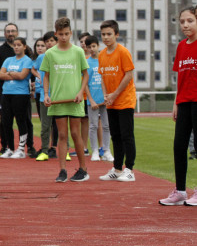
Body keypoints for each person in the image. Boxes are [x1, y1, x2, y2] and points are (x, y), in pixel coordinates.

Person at [41, 17, 90, 182]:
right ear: (56, 34)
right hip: (58, 100)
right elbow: (46, 76)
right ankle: (62, 170)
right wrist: (47, 94)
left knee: (76, 133)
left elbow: (86, 74)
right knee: (62, 135)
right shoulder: (49, 53)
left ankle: (83, 169)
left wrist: (80, 92)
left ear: (71, 33)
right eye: (60, 34)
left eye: (67, 34)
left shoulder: (78, 51)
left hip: (75, 100)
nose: (63, 37)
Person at [160, 7, 197, 205]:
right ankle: (181, 191)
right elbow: (180, 77)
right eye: (182, 21)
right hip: (183, 102)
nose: (185, 25)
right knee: (179, 146)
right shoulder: (181, 46)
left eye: (190, 21)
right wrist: (176, 102)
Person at [98, 19, 137, 182]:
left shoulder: (123, 52)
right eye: (103, 34)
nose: (106, 37)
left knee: (127, 135)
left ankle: (129, 169)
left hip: (125, 100)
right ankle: (117, 168)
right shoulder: (101, 54)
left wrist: (115, 94)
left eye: (109, 34)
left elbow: (129, 75)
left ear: (116, 34)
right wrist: (106, 95)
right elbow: (102, 76)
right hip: (111, 102)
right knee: (115, 136)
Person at [0, 37, 33, 159]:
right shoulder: (8, 60)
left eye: (19, 45)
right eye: (15, 45)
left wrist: (9, 73)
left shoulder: (27, 60)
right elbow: (0, 75)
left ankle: (21, 148)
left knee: (21, 121)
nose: (16, 47)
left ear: (24, 46)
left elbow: (22, 76)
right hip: (6, 94)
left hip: (21, 95)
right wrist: (12, 75)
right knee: (6, 121)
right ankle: (10, 148)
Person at [84, 35, 113, 162]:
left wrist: (108, 96)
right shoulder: (86, 63)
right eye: (89, 47)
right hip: (93, 101)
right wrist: (90, 100)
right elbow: (84, 84)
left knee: (107, 126)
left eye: (94, 46)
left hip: (105, 100)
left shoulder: (104, 59)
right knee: (93, 126)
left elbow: (109, 78)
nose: (92, 49)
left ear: (98, 46)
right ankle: (95, 150)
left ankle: (106, 150)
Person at [0, 23, 17, 156]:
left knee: (24, 120)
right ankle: (5, 146)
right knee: (5, 120)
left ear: (17, 33)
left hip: (21, 92)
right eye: (8, 31)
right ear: (4, 34)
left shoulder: (25, 49)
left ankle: (29, 146)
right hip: (5, 92)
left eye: (12, 31)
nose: (10, 33)